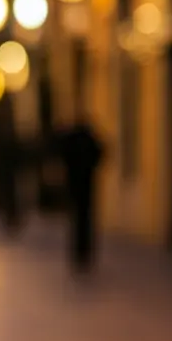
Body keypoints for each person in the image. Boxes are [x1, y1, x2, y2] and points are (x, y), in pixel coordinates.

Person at [60, 117, 104, 273]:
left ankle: (80, 251)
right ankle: (84, 251)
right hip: (86, 185)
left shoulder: (72, 141)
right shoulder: (88, 141)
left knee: (77, 218)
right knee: (85, 218)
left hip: (76, 186)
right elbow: (100, 154)